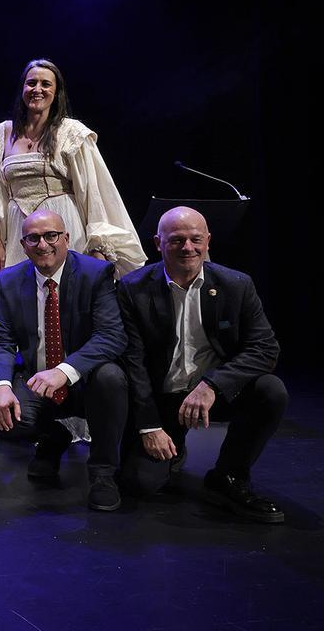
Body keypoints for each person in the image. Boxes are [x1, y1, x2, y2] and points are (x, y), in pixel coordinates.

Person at [118, 207, 287, 523]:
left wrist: (212, 385)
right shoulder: (133, 288)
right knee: (139, 484)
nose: (188, 248)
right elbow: (133, 363)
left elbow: (265, 348)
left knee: (270, 390)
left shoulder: (237, 285)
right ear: (158, 242)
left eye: (196, 239)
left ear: (208, 240)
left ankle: (228, 476)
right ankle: (173, 443)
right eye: (177, 240)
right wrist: (149, 426)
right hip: (162, 399)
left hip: (211, 395)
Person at [0, 209, 128, 511]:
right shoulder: (10, 280)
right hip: (37, 378)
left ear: (66, 238)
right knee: (4, 412)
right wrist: (0, 385)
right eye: (33, 238)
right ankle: (54, 437)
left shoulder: (95, 274)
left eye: (51, 236)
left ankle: (103, 473)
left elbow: (111, 336)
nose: (43, 245)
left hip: (84, 378)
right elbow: (1, 340)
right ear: (23, 244)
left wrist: (65, 370)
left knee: (112, 377)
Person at [0, 58, 145, 277]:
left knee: (67, 294)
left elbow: (92, 193)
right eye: (31, 83)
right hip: (20, 230)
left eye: (46, 84)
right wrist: (0, 243)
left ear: (56, 93)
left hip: (64, 223)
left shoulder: (70, 132)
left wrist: (97, 246)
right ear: (22, 88)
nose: (37, 89)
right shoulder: (2, 134)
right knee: (24, 296)